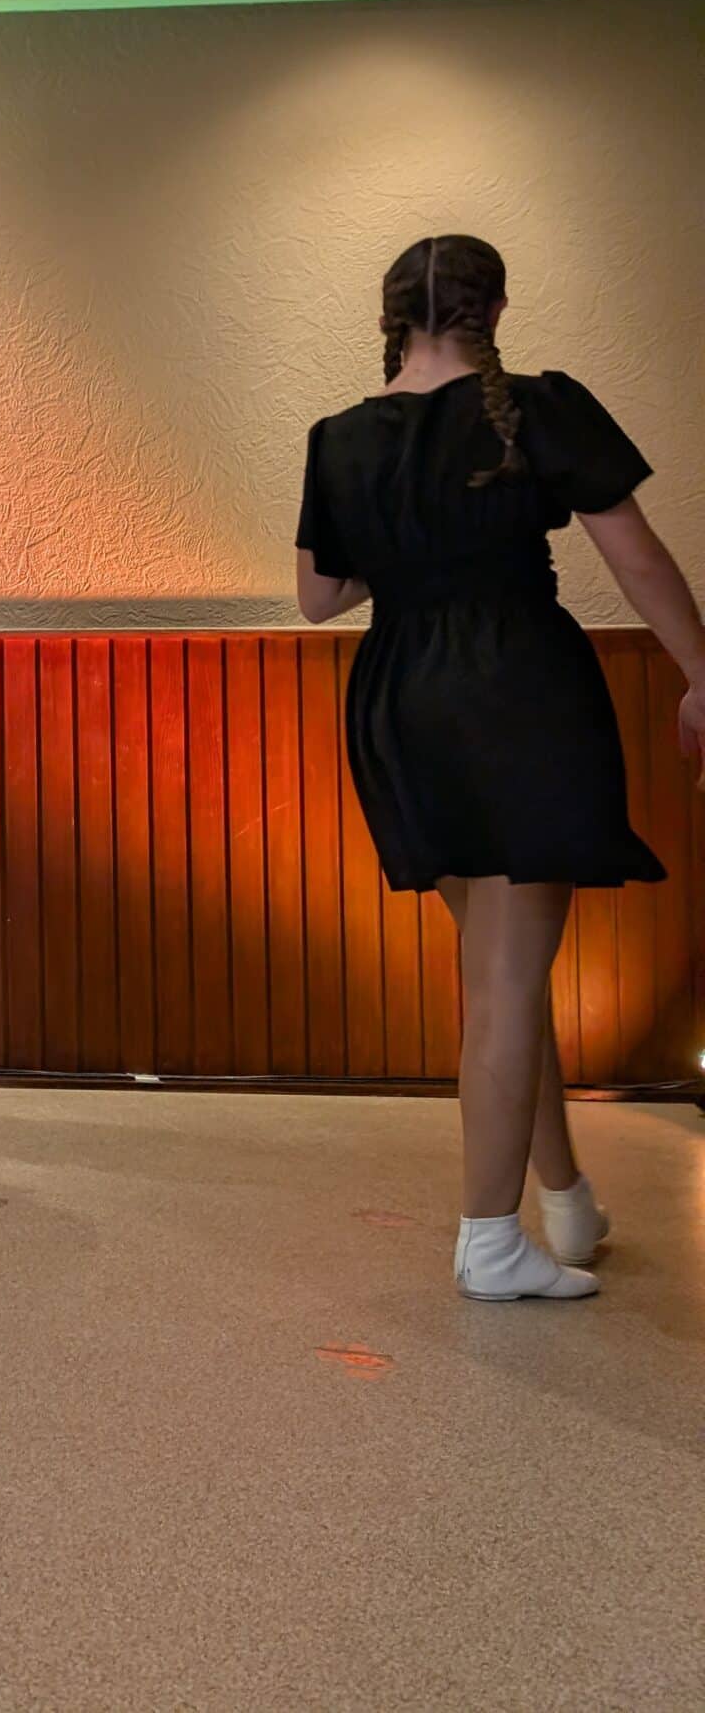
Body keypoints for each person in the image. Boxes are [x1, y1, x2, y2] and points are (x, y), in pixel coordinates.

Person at [295, 235, 705, 1302]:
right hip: (516, 688)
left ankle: (563, 1198)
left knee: (497, 975)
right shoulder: (537, 407)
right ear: (496, 310)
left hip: (400, 702)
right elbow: (636, 555)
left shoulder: (339, 438)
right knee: (508, 980)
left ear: (393, 316)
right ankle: (488, 1239)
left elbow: (318, 598)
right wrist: (701, 672)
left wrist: (413, 550)